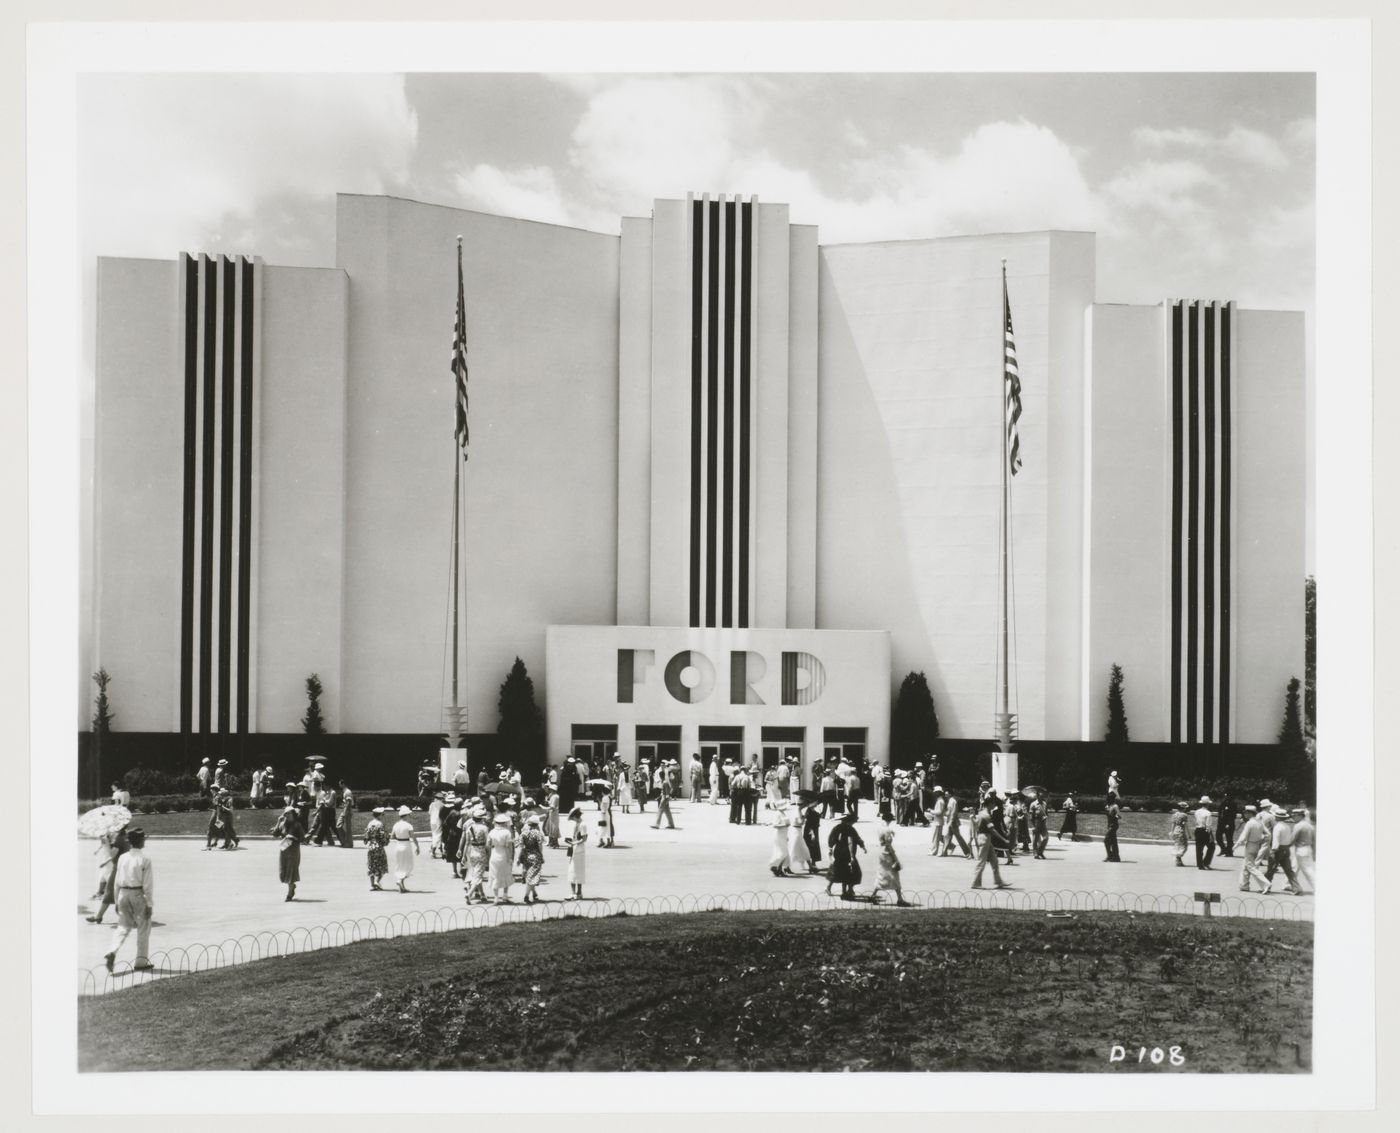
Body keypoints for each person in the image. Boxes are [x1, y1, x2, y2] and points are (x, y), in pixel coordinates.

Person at [103, 826, 154, 974]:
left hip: (123, 893)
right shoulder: (145, 860)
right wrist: (149, 904)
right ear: (141, 841)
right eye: (143, 839)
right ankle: (141, 962)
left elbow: (117, 881)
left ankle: (112, 950)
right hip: (138, 894)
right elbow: (148, 885)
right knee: (144, 928)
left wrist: (118, 900)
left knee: (123, 926)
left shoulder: (123, 858)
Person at [87, 824, 130, 924]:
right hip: (126, 866)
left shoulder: (119, 838)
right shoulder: (127, 836)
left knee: (109, 891)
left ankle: (99, 916)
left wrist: (106, 844)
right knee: (120, 892)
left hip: (118, 867)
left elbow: (112, 854)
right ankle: (99, 916)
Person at [970, 798, 1011, 889]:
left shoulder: (981, 813)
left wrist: (973, 818)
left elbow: (976, 823)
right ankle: (975, 883)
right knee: (981, 861)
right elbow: (992, 830)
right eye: (993, 803)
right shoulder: (986, 815)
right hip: (985, 838)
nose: (994, 805)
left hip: (983, 838)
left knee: (994, 861)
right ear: (989, 804)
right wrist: (1004, 840)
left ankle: (998, 881)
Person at [1262, 806, 1301, 894]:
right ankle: (1296, 888)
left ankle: (1266, 887)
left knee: (1270, 870)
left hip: (1278, 850)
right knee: (1289, 870)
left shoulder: (1277, 827)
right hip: (1286, 849)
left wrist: (1273, 851)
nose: (1274, 817)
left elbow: (1276, 840)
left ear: (1278, 817)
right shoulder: (1287, 826)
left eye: (1275, 816)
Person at [1233, 804, 1271, 892]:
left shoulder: (1250, 823)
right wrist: (1261, 840)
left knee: (1250, 867)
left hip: (1250, 846)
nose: (1245, 814)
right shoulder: (1260, 822)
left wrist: (1234, 847)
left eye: (1246, 812)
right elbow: (1268, 834)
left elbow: (1243, 837)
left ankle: (1265, 883)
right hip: (1256, 846)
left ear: (1250, 813)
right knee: (1245, 866)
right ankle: (1244, 885)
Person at [827, 812, 865, 900]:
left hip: (838, 852)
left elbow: (831, 838)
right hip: (846, 853)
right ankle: (846, 891)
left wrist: (830, 847)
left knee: (837, 871)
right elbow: (852, 841)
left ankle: (830, 888)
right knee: (851, 871)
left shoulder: (837, 827)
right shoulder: (850, 829)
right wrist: (860, 847)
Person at [271, 804, 305, 901]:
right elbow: (275, 834)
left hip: (293, 851)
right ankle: (292, 886)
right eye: (286, 814)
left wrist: (294, 837)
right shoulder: (283, 824)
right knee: (283, 872)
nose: (287, 816)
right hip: (284, 850)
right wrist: (278, 821)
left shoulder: (297, 825)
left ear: (294, 814)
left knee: (291, 871)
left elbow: (303, 838)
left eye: (289, 814)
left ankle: (289, 894)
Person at [872, 822, 911, 906]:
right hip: (887, 853)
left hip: (881, 852)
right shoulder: (887, 830)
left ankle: (873, 895)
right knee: (894, 875)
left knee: (882, 874)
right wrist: (895, 859)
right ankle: (900, 899)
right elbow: (888, 845)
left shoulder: (880, 828)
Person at [459, 806, 490, 903]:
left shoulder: (469, 828)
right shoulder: (484, 828)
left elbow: (467, 843)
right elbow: (488, 843)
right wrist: (489, 854)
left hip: (471, 851)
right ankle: (469, 894)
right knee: (478, 875)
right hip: (481, 851)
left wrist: (464, 856)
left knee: (476, 872)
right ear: (482, 819)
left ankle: (482, 894)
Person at [389, 804, 420, 893]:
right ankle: (400, 880)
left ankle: (401, 886)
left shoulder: (396, 825)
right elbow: (413, 837)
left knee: (400, 865)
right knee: (407, 865)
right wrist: (417, 846)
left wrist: (399, 837)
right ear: (406, 815)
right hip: (406, 845)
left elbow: (392, 836)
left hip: (398, 845)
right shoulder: (408, 825)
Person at [487, 813, 515, 904]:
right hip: (504, 853)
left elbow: (488, 845)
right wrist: (510, 857)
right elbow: (509, 846)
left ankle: (495, 897)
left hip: (494, 853)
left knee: (495, 875)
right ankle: (505, 895)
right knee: (506, 873)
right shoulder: (507, 832)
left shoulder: (492, 832)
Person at [518, 815, 547, 904]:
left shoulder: (523, 833)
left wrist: (519, 857)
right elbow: (540, 846)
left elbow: (521, 847)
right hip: (535, 855)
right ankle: (526, 895)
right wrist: (541, 856)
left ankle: (534, 893)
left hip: (526, 854)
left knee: (530, 875)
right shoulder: (538, 833)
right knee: (532, 876)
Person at [565, 806, 588, 900]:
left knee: (577, 871)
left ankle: (578, 893)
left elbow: (584, 838)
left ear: (575, 816)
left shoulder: (582, 824)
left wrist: (574, 842)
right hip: (575, 847)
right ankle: (574, 892)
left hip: (579, 848)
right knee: (573, 871)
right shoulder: (577, 824)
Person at [1290, 808, 1315, 894]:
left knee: (1307, 870)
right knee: (1294, 867)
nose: (1293, 817)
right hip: (1308, 848)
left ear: (1300, 816)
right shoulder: (1310, 825)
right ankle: (1288, 884)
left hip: (1301, 849)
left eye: (1295, 815)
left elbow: (1292, 839)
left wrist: (1285, 846)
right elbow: (1314, 840)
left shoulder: (1298, 825)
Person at [363, 807, 389, 890]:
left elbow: (366, 836)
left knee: (371, 865)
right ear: (379, 815)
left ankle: (372, 885)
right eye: (382, 814)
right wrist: (386, 841)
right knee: (382, 864)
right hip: (378, 846)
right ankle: (377, 881)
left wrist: (367, 840)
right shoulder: (380, 824)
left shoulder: (370, 823)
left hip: (371, 846)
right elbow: (383, 836)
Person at [941, 792, 973, 858]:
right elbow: (949, 812)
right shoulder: (949, 801)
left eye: (947, 793)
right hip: (950, 820)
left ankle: (967, 852)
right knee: (947, 836)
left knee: (958, 837)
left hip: (953, 822)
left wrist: (951, 821)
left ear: (950, 794)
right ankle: (944, 851)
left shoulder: (953, 801)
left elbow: (954, 812)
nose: (945, 794)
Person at [441, 796, 463, 876]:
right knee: (461, 850)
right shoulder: (461, 813)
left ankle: (454, 871)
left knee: (453, 852)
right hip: (460, 833)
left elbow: (445, 823)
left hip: (452, 833)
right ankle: (462, 870)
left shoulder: (451, 812)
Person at [1193, 796, 1216, 870]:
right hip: (1205, 830)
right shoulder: (1208, 813)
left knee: (1199, 848)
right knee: (1211, 846)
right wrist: (1211, 836)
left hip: (1198, 829)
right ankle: (1206, 862)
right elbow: (1208, 825)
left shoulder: (1197, 812)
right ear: (1207, 804)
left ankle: (1199, 864)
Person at [769, 806, 792, 877]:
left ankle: (779, 869)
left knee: (784, 853)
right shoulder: (778, 814)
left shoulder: (782, 813)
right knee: (783, 853)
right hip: (779, 835)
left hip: (783, 834)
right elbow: (775, 825)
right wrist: (785, 825)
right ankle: (775, 866)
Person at [1216, 792, 1237, 857]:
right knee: (1218, 836)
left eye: (1227, 796)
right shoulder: (1223, 803)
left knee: (1229, 839)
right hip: (1221, 823)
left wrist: (1229, 823)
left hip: (1228, 824)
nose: (1225, 797)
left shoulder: (1233, 804)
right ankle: (1223, 849)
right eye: (1225, 796)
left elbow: (1233, 815)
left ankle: (1229, 852)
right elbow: (1220, 813)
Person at [1169, 801, 1190, 866]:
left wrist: (1172, 832)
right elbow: (1186, 825)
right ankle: (1178, 859)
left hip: (1175, 831)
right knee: (1184, 845)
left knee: (1177, 845)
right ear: (1183, 808)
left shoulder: (1174, 815)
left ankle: (1178, 860)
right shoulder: (1184, 815)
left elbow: (1173, 823)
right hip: (1181, 831)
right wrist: (1189, 834)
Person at [336, 781, 355, 849]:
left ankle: (349, 844)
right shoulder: (345, 791)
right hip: (344, 810)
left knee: (348, 828)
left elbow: (349, 802)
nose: (339, 785)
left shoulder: (347, 792)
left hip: (347, 811)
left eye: (340, 784)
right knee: (338, 826)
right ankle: (345, 842)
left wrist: (345, 811)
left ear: (343, 784)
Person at [1029, 794, 1049, 859]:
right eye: (1041, 796)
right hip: (1036, 823)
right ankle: (1035, 853)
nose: (1042, 797)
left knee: (1046, 838)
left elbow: (1046, 812)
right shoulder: (1033, 804)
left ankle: (1040, 851)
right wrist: (1033, 826)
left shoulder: (1044, 803)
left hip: (1043, 823)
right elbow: (1031, 817)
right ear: (1037, 796)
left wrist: (1045, 817)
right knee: (1035, 839)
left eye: (1043, 796)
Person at [1103, 793, 1122, 863]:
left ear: (1111, 799)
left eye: (1108, 798)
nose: (1107, 799)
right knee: (1113, 841)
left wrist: (1115, 816)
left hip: (1114, 825)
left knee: (1106, 840)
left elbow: (1119, 815)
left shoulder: (1115, 806)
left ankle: (1110, 855)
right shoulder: (1109, 806)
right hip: (1109, 825)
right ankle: (1116, 857)